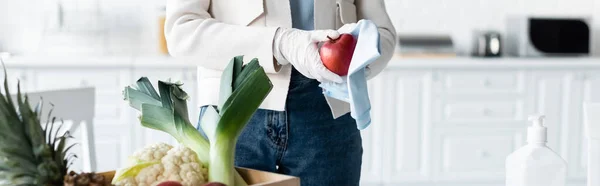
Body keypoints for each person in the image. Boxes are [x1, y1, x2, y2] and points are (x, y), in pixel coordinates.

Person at [164, 0, 396, 185]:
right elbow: (181, 29)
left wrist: (358, 61)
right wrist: (281, 43)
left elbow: (382, 31)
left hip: (328, 111)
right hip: (232, 110)